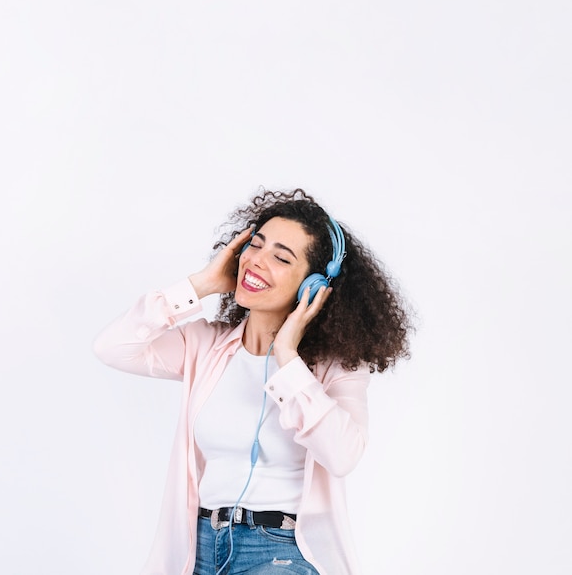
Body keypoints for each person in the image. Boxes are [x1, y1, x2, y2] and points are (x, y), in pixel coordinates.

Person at [93, 188, 413, 575]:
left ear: (313, 284)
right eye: (254, 246)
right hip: (199, 546)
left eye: (280, 257)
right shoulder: (205, 346)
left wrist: (289, 358)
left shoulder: (336, 368)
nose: (256, 262)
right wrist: (201, 285)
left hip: (279, 553)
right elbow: (112, 347)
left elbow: (343, 455)